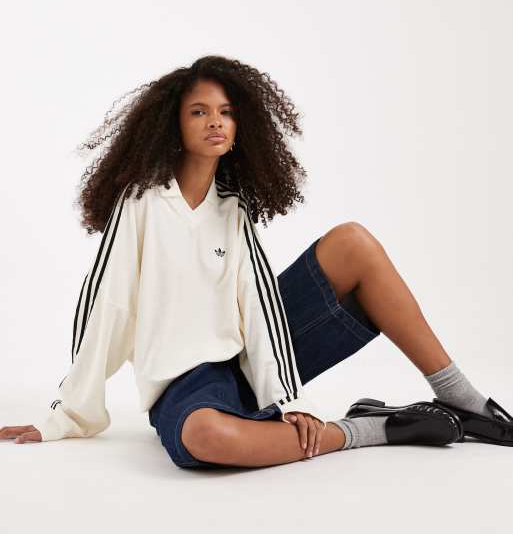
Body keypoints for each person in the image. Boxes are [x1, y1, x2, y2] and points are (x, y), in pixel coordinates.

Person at [2, 55, 511, 468]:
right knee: (207, 437)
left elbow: (258, 304)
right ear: (172, 125)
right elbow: (106, 305)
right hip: (186, 384)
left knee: (351, 243)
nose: (215, 121)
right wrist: (66, 413)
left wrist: (288, 398)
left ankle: (464, 401)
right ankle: (372, 428)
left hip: (252, 362)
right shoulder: (142, 202)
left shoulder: (233, 208)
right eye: (198, 111)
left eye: (225, 112)